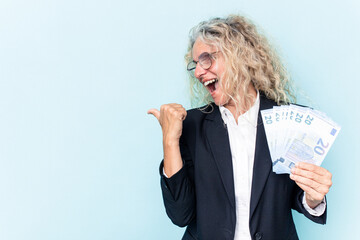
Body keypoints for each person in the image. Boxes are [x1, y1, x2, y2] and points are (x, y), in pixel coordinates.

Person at [148, 15, 332, 240]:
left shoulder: (288, 121)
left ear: (240, 56)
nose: (197, 72)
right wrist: (169, 140)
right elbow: (180, 215)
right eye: (195, 64)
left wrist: (313, 197)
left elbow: (298, 195)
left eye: (206, 59)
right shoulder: (191, 126)